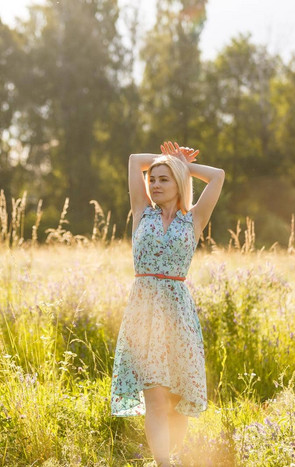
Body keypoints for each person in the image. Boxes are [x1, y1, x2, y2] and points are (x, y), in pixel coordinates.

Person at [110, 141, 225, 466]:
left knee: (177, 399)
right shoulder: (141, 211)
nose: (155, 184)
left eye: (164, 179)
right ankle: (163, 462)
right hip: (143, 315)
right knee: (156, 398)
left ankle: (173, 456)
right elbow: (135, 160)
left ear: (178, 183)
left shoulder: (194, 220)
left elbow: (217, 176)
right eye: (153, 179)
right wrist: (169, 161)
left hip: (178, 316)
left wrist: (181, 165)